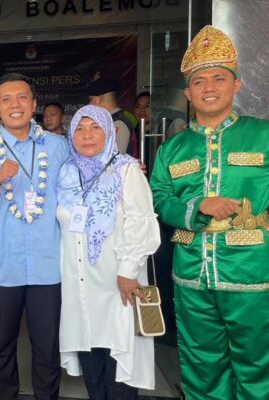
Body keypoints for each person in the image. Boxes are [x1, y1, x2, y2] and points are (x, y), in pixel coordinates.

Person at [150, 25, 269, 400]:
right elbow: (158, 198)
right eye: (199, 82)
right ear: (188, 93)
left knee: (257, 364)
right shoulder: (173, 148)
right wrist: (194, 206)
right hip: (191, 274)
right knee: (202, 364)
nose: (209, 87)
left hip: (251, 271)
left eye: (219, 78)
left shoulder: (263, 135)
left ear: (237, 85)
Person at [0, 73, 69, 400]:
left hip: (48, 265)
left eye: (22, 97)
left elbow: (83, 182)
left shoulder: (58, 147)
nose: (15, 105)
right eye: (6, 99)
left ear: (34, 104)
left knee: (46, 346)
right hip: (1, 266)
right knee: (1, 345)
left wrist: (122, 169)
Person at [57, 105, 160, 399]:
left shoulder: (126, 170)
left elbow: (141, 223)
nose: (86, 135)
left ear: (110, 133)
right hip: (80, 289)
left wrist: (128, 272)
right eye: (79, 128)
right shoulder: (66, 172)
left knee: (120, 368)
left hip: (118, 288)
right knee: (93, 365)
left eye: (95, 127)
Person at [87, 78, 138, 158]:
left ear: (99, 99)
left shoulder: (117, 124)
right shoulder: (110, 121)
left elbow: (114, 160)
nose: (89, 104)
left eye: (90, 99)